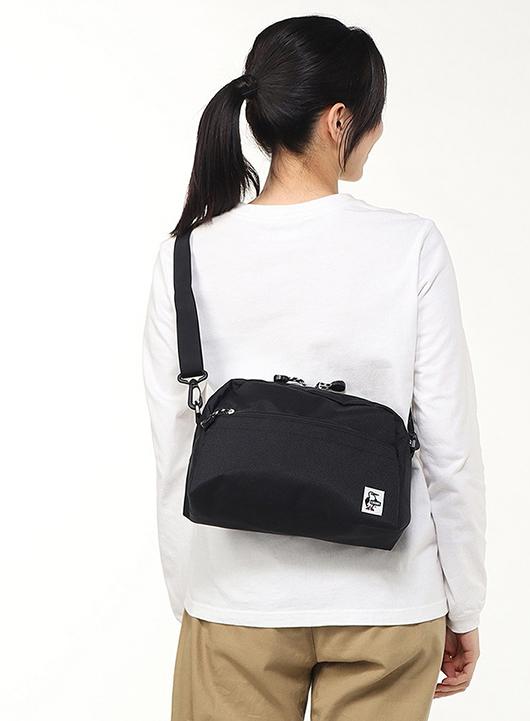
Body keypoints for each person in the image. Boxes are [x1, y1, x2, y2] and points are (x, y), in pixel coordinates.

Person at [142, 14, 486, 721]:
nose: (378, 133)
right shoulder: (411, 246)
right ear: (338, 121)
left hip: (236, 599)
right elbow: (449, 447)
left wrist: (193, 594)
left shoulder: (186, 257)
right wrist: (464, 602)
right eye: (373, 117)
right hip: (388, 603)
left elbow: (175, 444)